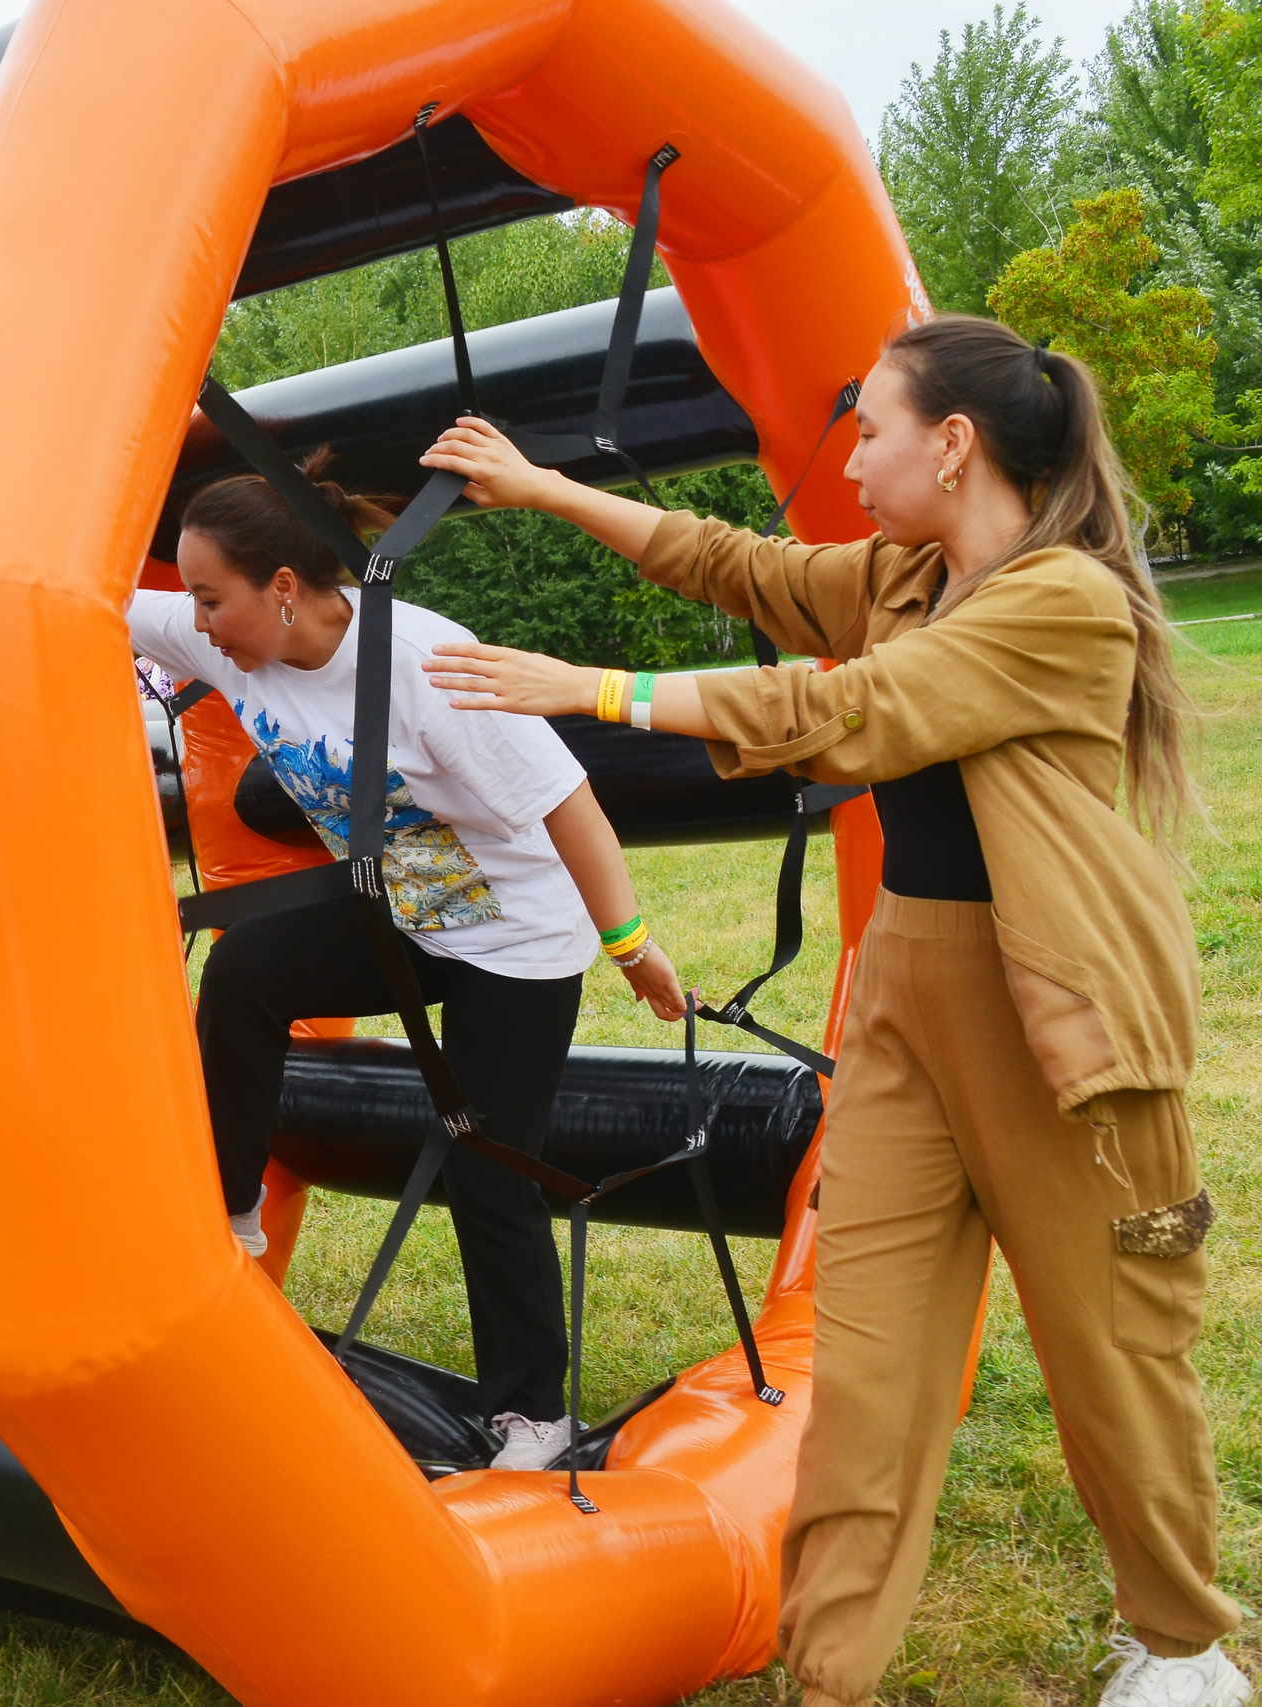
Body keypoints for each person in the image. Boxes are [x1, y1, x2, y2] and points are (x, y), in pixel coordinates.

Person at [416, 317, 1246, 1707]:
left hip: (1062, 1024)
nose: (851, 460)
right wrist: (550, 487)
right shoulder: (912, 571)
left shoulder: (1064, 601)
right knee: (863, 1372)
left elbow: (856, 707)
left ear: (954, 443)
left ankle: (1183, 1644)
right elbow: (732, 562)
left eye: (870, 429)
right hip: (910, 998)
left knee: (1111, 1351)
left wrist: (596, 690)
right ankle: (836, 1677)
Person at [129, 451, 687, 1474]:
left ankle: (531, 1417)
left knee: (487, 1164)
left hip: (515, 938)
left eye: (211, 598)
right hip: (410, 906)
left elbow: (571, 806)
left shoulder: (425, 667)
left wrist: (631, 948)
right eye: (190, 599)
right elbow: (80, 599)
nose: (195, 621)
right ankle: (231, 1214)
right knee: (247, 968)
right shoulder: (230, 643)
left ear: (284, 590)